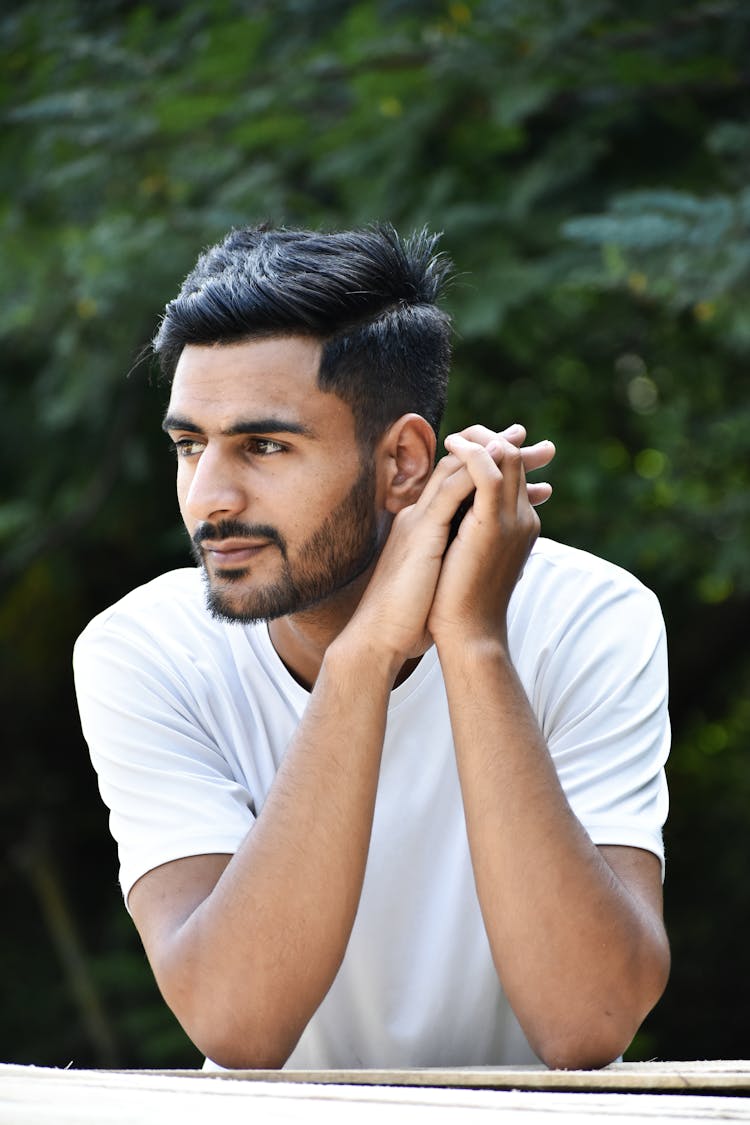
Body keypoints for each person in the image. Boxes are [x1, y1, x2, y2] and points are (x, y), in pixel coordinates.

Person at [73, 224, 670, 1073]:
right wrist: (364, 658)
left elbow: (588, 1020)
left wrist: (473, 644)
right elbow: (237, 1024)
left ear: (402, 461)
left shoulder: (591, 619)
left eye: (264, 445)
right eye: (189, 445)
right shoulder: (146, 651)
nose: (207, 498)